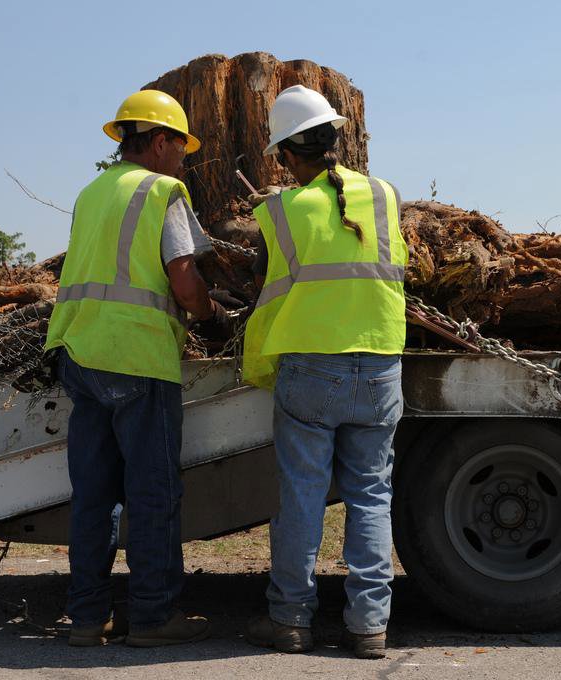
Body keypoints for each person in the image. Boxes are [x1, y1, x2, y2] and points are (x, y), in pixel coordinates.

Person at [45, 89, 234, 648]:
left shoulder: (91, 191)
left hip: (79, 353)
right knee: (152, 493)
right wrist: (210, 312)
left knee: (94, 495)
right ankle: (153, 618)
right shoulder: (162, 190)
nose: (185, 161)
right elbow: (181, 276)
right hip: (137, 359)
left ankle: (86, 618)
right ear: (158, 142)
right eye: (181, 148)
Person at [242, 85, 407, 659]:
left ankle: (290, 620)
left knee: (303, 497)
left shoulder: (280, 213)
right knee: (370, 495)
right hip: (382, 362)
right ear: (339, 138)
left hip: (311, 367)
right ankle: (369, 628)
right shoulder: (386, 196)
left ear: (287, 155)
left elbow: (265, 294)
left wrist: (256, 362)